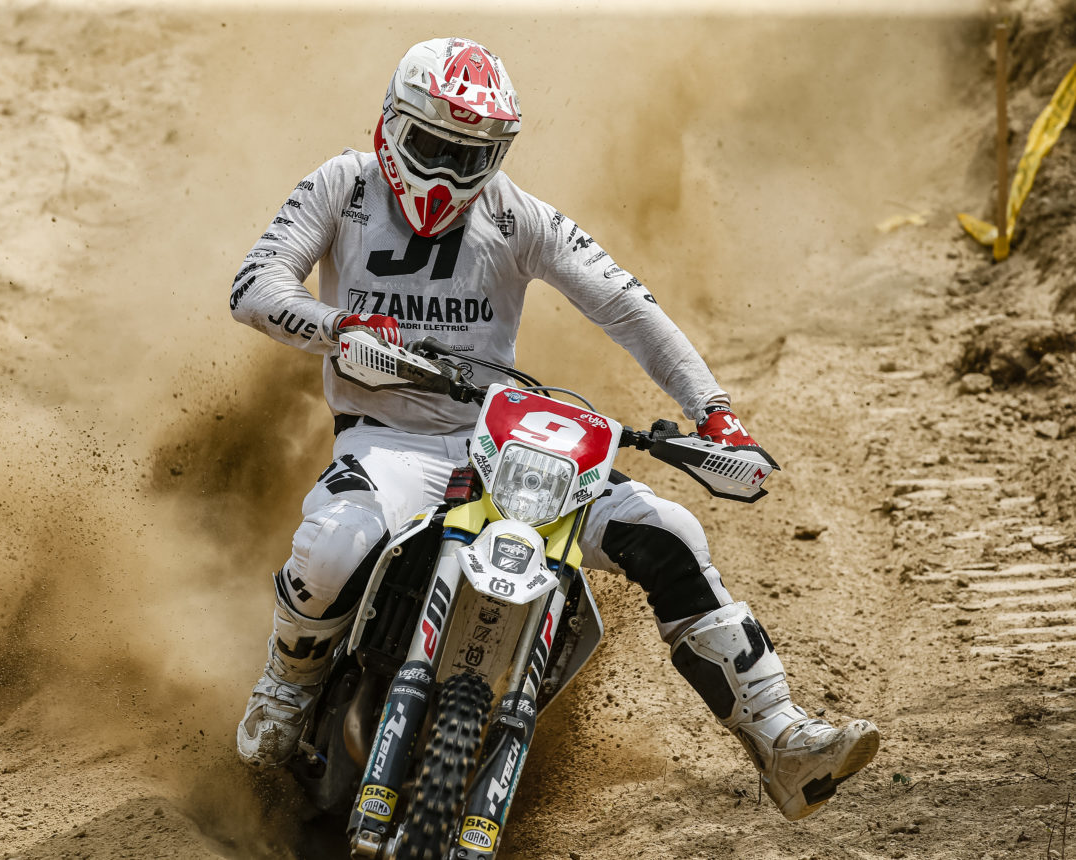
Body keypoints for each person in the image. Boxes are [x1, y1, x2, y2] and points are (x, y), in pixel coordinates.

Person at [228, 36, 878, 821]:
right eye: (433, 147)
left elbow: (628, 307)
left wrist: (716, 414)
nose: (448, 172)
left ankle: (781, 737)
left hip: (502, 442)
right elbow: (254, 285)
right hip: (387, 439)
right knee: (335, 544)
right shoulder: (342, 185)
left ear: (498, 154)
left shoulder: (517, 214)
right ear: (392, 126)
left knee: (671, 530)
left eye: (471, 156)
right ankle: (287, 688)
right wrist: (338, 327)